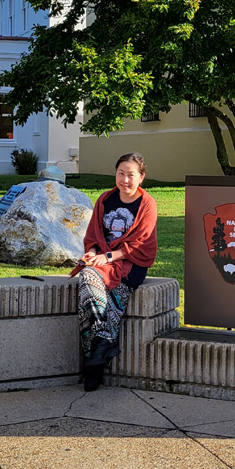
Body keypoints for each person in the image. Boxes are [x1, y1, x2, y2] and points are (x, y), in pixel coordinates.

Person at [70, 152, 158, 391]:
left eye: (131, 175)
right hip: (102, 262)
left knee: (103, 290)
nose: (125, 180)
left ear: (141, 177)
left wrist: (107, 257)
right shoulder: (105, 199)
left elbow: (142, 244)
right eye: (121, 173)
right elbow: (93, 235)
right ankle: (103, 344)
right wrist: (92, 252)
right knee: (90, 285)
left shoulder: (147, 204)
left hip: (131, 264)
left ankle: (95, 361)